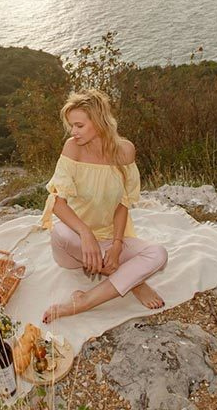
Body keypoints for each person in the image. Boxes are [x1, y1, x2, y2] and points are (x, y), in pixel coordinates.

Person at [39, 89, 168, 324]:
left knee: (158, 254)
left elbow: (123, 203)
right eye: (71, 126)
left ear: (98, 122)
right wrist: (85, 233)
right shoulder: (72, 148)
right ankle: (133, 282)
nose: (73, 132)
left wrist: (117, 246)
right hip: (74, 246)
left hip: (108, 241)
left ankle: (85, 301)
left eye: (79, 125)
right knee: (59, 232)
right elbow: (58, 203)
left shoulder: (125, 151)